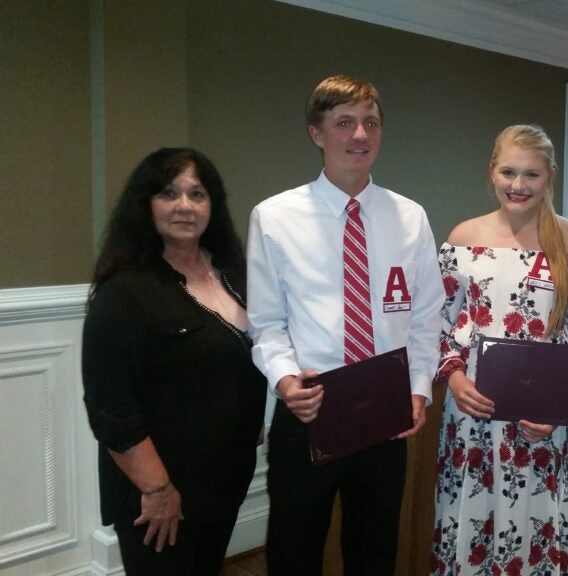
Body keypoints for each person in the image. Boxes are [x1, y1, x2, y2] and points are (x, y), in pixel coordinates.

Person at [247, 75, 444, 576]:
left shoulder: (410, 217)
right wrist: (286, 381)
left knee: (375, 550)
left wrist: (418, 389)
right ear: (317, 133)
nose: (360, 135)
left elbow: (425, 316)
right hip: (310, 409)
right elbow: (267, 323)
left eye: (370, 123)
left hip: (384, 413)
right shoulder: (274, 217)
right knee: (295, 549)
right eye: (344, 123)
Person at [81, 148, 267, 575]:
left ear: (212, 206)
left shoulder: (233, 272)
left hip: (224, 477)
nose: (184, 206)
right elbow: (111, 408)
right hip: (161, 490)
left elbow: (246, 355)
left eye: (197, 194)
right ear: (146, 204)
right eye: (169, 193)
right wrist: (158, 489)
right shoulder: (125, 292)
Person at [429, 124, 568, 576]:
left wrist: (562, 409)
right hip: (474, 418)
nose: (518, 185)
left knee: (540, 527)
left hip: (545, 423)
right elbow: (438, 324)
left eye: (532, 175)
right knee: (474, 530)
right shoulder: (464, 238)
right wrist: (455, 376)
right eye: (508, 172)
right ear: (491, 171)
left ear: (550, 177)